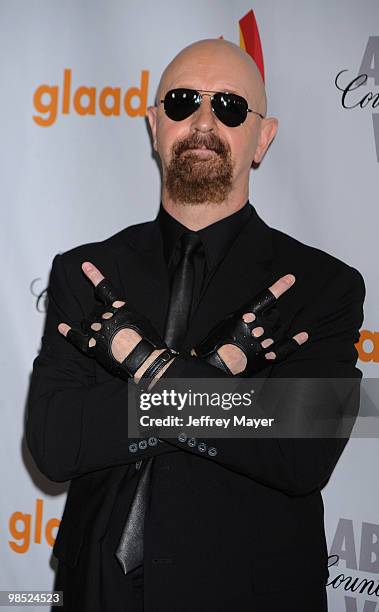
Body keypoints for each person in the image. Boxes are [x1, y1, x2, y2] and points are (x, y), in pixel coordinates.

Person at [26, 38, 365, 612]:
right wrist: (217, 376)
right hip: (96, 591)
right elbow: (57, 443)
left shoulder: (320, 286)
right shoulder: (85, 273)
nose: (204, 120)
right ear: (156, 125)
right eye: (183, 102)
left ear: (263, 138)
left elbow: (298, 452)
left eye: (231, 107)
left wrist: (144, 365)